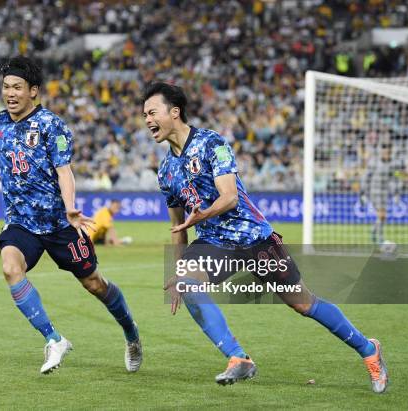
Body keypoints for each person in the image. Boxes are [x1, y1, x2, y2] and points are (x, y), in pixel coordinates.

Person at [143, 82, 387, 393]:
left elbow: (229, 197)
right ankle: (238, 359)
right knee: (189, 283)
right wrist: (178, 273)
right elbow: (178, 226)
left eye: (152, 112)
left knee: (302, 303)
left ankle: (369, 350)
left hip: (253, 235)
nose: (147, 120)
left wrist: (202, 214)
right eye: (144, 115)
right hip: (215, 242)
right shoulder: (165, 171)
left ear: (174, 112)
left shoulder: (211, 143)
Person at [0, 56, 142, 374]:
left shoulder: (52, 126)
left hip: (58, 223)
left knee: (95, 284)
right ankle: (54, 339)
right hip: (21, 221)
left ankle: (131, 334)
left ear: (34, 91)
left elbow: (64, 170)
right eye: (6, 87)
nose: (10, 93)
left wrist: (70, 206)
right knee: (10, 268)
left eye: (17, 87)